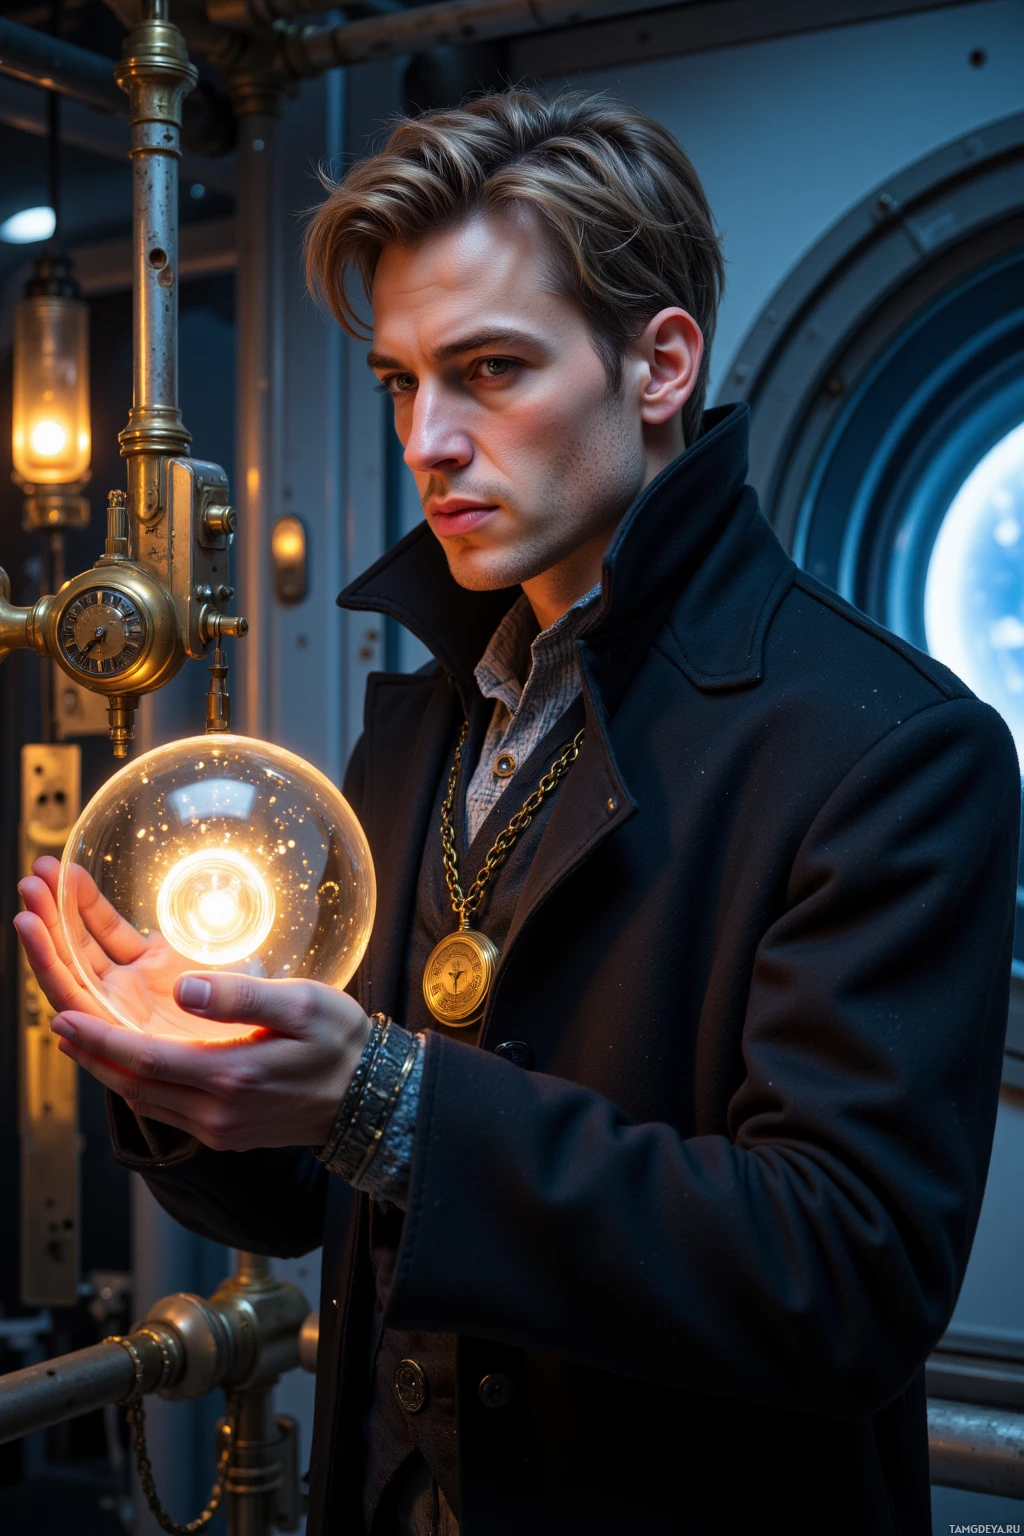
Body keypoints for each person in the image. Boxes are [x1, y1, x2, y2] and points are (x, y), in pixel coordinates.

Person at [16, 88, 1021, 1536]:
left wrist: (385, 1100)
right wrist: (171, 1062)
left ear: (658, 363)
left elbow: (846, 1284)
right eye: (399, 382)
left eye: (490, 370)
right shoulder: (420, 716)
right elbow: (303, 1199)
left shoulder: (892, 747)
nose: (428, 439)